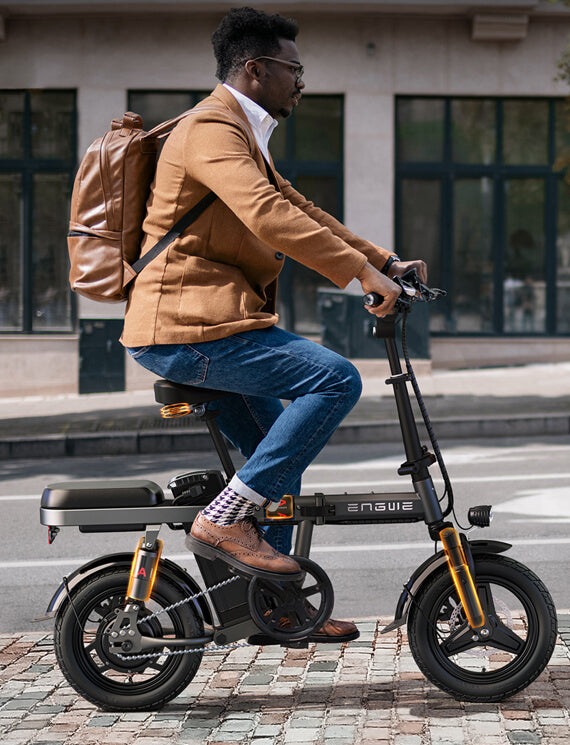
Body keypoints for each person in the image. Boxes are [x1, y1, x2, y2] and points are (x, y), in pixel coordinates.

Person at [122, 6, 427, 641]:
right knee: (334, 380)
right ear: (255, 70)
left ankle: (277, 610)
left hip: (212, 324)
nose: (301, 81)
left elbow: (299, 207)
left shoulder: (240, 132)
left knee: (276, 465)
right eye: (294, 69)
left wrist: (384, 261)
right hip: (188, 326)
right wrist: (358, 277)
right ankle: (224, 521)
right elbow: (265, 214)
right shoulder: (210, 128)